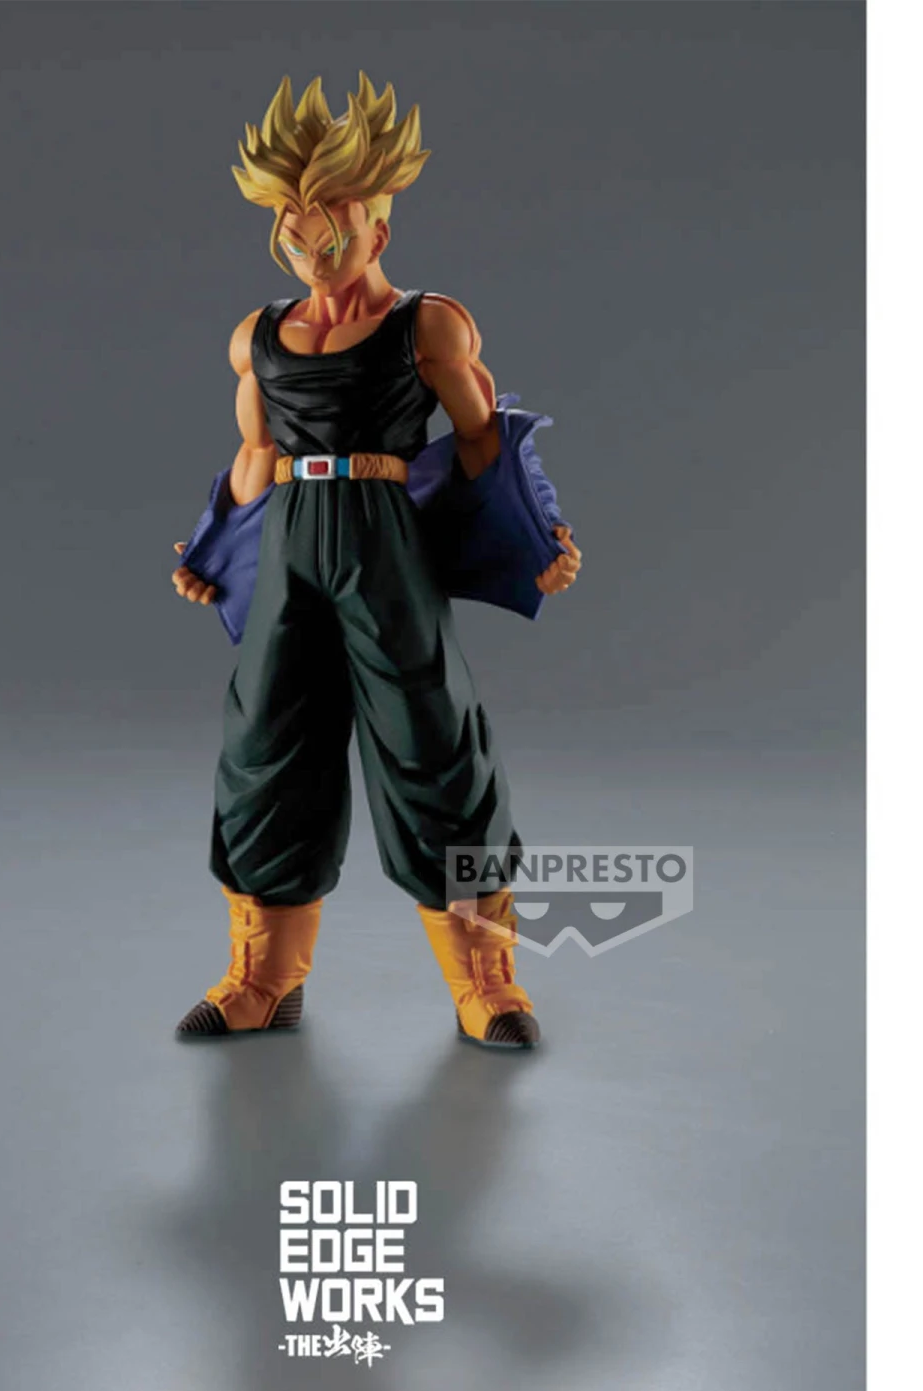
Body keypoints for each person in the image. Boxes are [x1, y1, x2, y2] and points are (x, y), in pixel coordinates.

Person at [170, 74, 582, 1049]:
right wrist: (214, 543)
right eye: (292, 236)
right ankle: (264, 979)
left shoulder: (427, 325)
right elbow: (254, 455)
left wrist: (542, 535)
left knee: (432, 741)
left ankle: (485, 982)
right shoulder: (259, 337)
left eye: (331, 235)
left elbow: (484, 440)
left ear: (377, 230)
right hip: (290, 545)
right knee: (265, 747)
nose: (309, 255)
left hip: (384, 543)